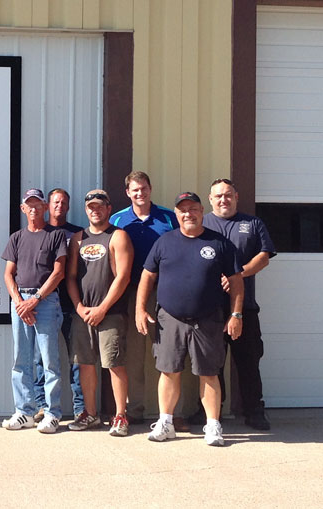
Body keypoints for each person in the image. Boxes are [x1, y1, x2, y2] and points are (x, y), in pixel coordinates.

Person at [136, 192, 244, 447]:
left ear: (201, 210)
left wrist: (236, 314)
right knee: (169, 371)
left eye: (193, 209)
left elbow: (237, 282)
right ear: (176, 214)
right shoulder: (164, 242)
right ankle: (166, 422)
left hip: (208, 320)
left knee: (209, 373)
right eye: (183, 210)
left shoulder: (219, 243)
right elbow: (147, 277)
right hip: (169, 319)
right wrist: (140, 309)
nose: (188, 214)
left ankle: (213, 426)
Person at [109, 171, 181, 428]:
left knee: (168, 353)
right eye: (135, 190)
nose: (140, 193)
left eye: (144, 188)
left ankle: (170, 413)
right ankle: (135, 410)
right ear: (128, 192)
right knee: (135, 355)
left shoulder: (169, 218)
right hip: (130, 294)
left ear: (151, 189)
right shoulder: (117, 219)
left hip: (165, 293)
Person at [204, 178, 276, 430]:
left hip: (244, 308)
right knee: (212, 362)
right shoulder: (202, 223)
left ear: (236, 196)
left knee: (248, 360)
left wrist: (238, 275)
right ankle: (213, 412)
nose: (223, 199)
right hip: (210, 309)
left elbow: (264, 257)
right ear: (210, 199)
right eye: (218, 196)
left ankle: (254, 410)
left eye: (228, 195)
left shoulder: (252, 223)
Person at [65, 190, 133, 436]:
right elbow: (70, 277)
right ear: (86, 209)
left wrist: (103, 308)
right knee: (85, 364)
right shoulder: (77, 239)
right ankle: (91, 414)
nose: (95, 210)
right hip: (83, 314)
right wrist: (79, 307)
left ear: (109, 208)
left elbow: (123, 277)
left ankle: (120, 416)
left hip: (111, 313)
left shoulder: (118, 236)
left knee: (114, 364)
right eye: (91, 206)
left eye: (100, 206)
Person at [0, 189, 67, 434]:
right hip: (20, 301)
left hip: (46, 302)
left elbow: (58, 273)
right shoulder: (17, 238)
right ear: (23, 208)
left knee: (49, 360)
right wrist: (20, 301)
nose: (34, 209)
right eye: (29, 205)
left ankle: (52, 413)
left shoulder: (56, 236)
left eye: (38, 204)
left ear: (45, 207)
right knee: (21, 360)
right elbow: (8, 274)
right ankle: (24, 412)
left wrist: (36, 299)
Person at [32, 188, 85, 422]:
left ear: (68, 206)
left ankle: (80, 408)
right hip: (44, 305)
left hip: (71, 304)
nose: (59, 206)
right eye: (55, 202)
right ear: (47, 205)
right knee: (40, 359)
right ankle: (43, 406)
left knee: (76, 358)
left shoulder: (78, 234)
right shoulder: (39, 232)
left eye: (64, 202)